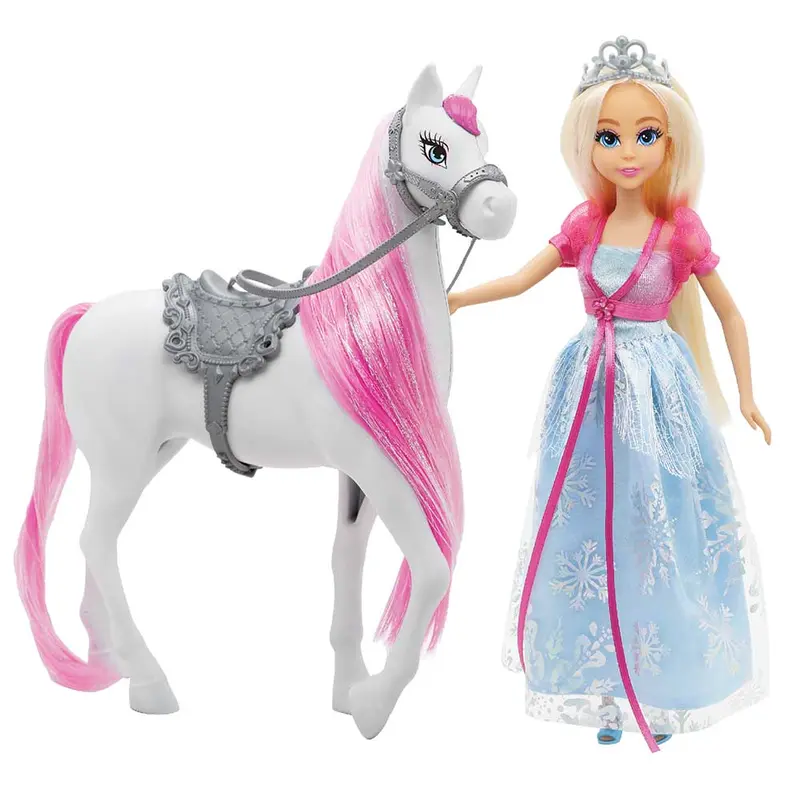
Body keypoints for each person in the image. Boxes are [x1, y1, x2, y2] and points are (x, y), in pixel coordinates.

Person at [447, 36, 770, 751]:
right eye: (608, 136)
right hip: (590, 390)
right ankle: (605, 685)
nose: (627, 151)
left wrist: (746, 395)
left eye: (645, 135)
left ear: (670, 142)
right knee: (590, 531)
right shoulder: (586, 223)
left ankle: (661, 685)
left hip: (658, 392)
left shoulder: (679, 231)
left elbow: (730, 313)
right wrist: (461, 297)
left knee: (659, 530)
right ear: (585, 144)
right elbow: (524, 278)